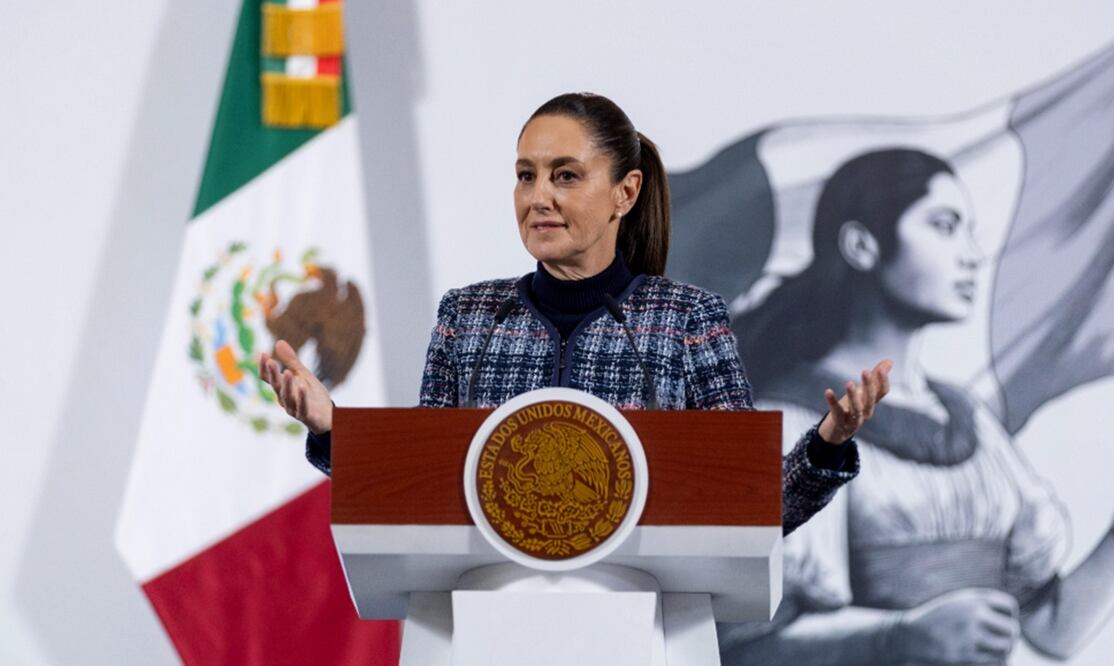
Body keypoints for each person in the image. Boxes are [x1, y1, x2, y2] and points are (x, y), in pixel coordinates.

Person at [259, 92, 892, 536]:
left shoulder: (686, 320)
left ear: (625, 192)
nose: (538, 197)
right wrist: (332, 428)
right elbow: (423, 491)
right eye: (525, 176)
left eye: (565, 176)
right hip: (492, 624)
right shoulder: (470, 317)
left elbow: (751, 508)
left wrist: (827, 445)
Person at [718, 148, 1114, 664]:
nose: (972, 255)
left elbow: (1050, 628)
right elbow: (744, 645)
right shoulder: (789, 422)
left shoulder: (971, 421)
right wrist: (898, 635)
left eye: (969, 231)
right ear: (862, 245)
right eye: (944, 226)